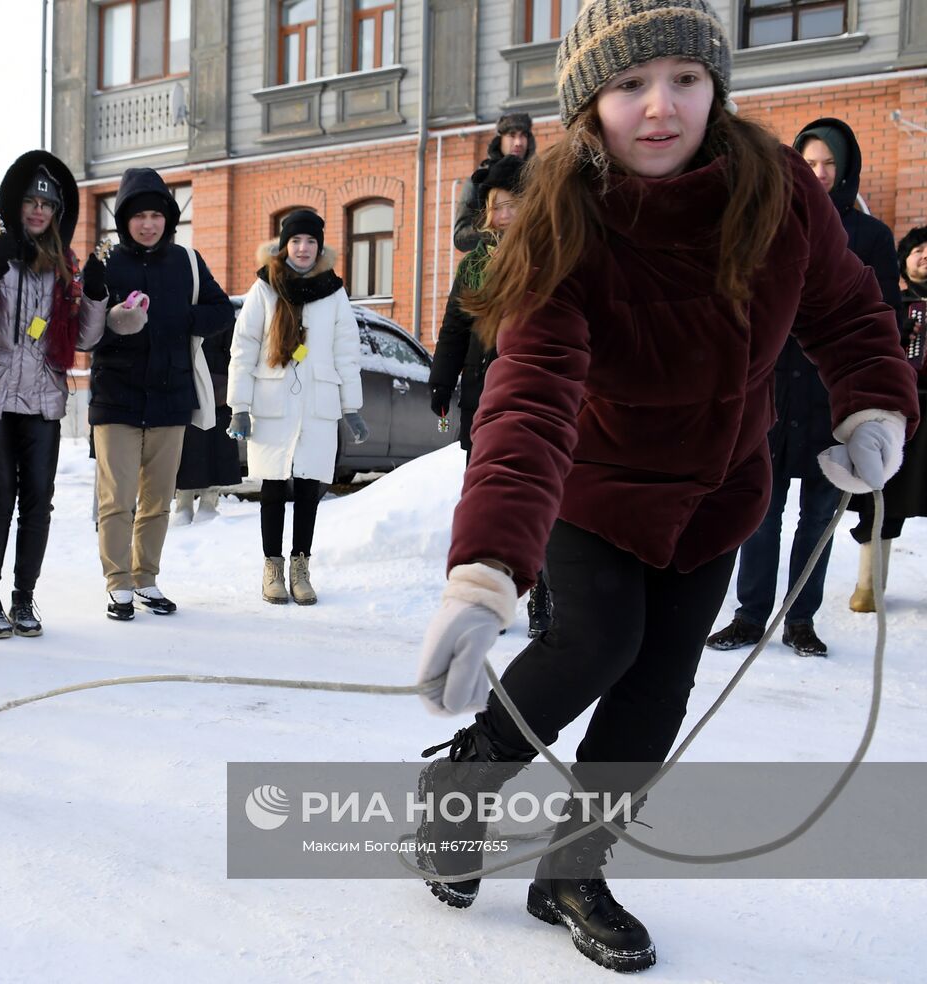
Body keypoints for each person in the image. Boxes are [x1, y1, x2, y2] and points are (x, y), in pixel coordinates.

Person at [412, 2, 918, 974]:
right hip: (593, 487)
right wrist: (482, 570)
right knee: (594, 644)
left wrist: (871, 406)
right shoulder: (569, 216)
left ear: (714, 87)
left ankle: (572, 869)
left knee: (655, 690)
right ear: (586, 102)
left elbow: (848, 308)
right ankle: (465, 787)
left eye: (683, 79)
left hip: (718, 491)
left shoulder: (770, 190)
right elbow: (525, 402)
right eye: (628, 84)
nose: (659, 107)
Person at [706, 118, 902, 656]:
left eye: (829, 164)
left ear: (846, 170)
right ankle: (749, 615)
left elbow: (877, 319)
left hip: (829, 403)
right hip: (771, 397)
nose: (818, 174)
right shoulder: (768, 225)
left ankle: (800, 620)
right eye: (809, 162)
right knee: (760, 515)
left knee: (817, 519)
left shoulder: (870, 237)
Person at [0, 150, 107, 639]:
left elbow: (83, 339)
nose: (38, 211)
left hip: (41, 395)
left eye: (48, 204)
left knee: (38, 499)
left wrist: (97, 296)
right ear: (16, 205)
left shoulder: (65, 264)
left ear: (57, 213)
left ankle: (22, 599)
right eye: (32, 202)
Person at [93, 167, 234, 620]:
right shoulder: (105, 263)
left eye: (156, 215)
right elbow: (81, 331)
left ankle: (145, 578)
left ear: (168, 219)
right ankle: (118, 584)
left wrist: (181, 320)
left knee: (158, 499)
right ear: (124, 220)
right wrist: (116, 322)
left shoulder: (187, 262)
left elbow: (220, 311)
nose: (148, 223)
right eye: (139, 215)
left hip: (171, 395)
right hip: (116, 397)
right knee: (118, 497)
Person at [430, 155, 556, 636]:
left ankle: (542, 591)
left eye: (512, 207)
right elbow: (455, 324)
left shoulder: (549, 257)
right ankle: (490, 595)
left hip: (536, 399)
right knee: (487, 501)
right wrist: (442, 381)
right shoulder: (475, 263)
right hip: (484, 400)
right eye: (496, 207)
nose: (503, 217)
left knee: (539, 502)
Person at [226, 209, 367, 605]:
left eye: (310, 241)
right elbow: (245, 346)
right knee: (273, 486)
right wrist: (239, 404)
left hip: (317, 402)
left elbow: (346, 351)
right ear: (284, 245)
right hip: (272, 399)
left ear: (320, 246)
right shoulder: (265, 288)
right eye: (296, 241)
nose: (303, 249)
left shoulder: (334, 291)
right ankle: (272, 568)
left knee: (309, 489)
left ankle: (300, 569)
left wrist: (351, 407)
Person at [841, 224, 927, 610]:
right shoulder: (891, 301)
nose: (925, 256)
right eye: (918, 251)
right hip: (901, 412)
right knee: (883, 500)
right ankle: (869, 587)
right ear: (905, 260)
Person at [170, 317, 242, 526]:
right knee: (207, 451)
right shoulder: (221, 314)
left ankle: (192, 504)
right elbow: (234, 354)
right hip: (213, 390)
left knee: (193, 450)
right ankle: (199, 504)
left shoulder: (186, 311)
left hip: (192, 389)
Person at [452, 112, 537, 253]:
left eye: (523, 135)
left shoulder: (539, 178)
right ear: (500, 139)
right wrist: (495, 234)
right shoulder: (478, 180)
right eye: (512, 135)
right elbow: (460, 238)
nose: (518, 142)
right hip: (490, 265)